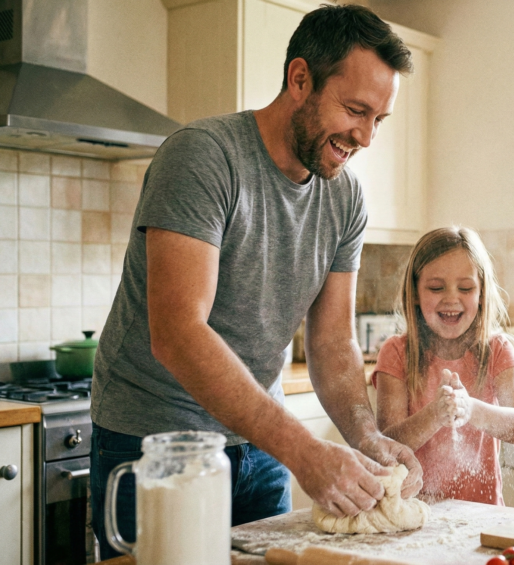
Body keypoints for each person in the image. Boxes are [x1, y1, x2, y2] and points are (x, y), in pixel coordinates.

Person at [90, 5, 423, 559]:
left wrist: (367, 438)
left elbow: (332, 341)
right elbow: (177, 332)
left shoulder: (345, 197)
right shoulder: (203, 157)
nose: (365, 136)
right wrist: (305, 450)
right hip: (162, 445)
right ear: (300, 79)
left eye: (378, 120)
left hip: (262, 444)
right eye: (355, 110)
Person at [373, 227, 514, 505]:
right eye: (436, 288)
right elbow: (386, 445)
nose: (451, 298)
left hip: (483, 515)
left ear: (481, 293)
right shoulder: (396, 353)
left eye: (466, 288)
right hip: (413, 513)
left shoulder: (496, 351)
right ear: (415, 293)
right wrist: (435, 414)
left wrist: (470, 408)